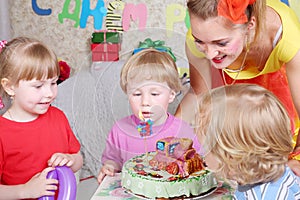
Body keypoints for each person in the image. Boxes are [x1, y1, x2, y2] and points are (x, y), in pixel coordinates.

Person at [176, 0, 300, 175]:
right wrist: (172, 134)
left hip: (279, 100)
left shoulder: (288, 39)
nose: (209, 53)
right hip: (233, 96)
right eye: (200, 41)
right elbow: (199, 95)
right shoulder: (203, 36)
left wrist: (296, 159)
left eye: (221, 43)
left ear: (250, 25)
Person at [97, 48, 200, 183]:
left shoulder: (184, 130)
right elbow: (113, 160)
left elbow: (197, 163)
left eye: (155, 94)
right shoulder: (119, 130)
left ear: (172, 94)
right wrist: (110, 167)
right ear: (127, 94)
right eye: (137, 94)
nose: (145, 102)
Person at [0, 37, 83, 199]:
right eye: (38, 86)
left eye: (53, 83)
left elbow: (78, 158)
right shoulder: (2, 132)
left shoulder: (58, 117)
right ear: (10, 87)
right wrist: (25, 190)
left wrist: (70, 160)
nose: (49, 93)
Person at [195, 84, 300, 199]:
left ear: (231, 155)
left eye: (203, 146)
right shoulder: (265, 180)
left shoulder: (270, 196)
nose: (198, 151)